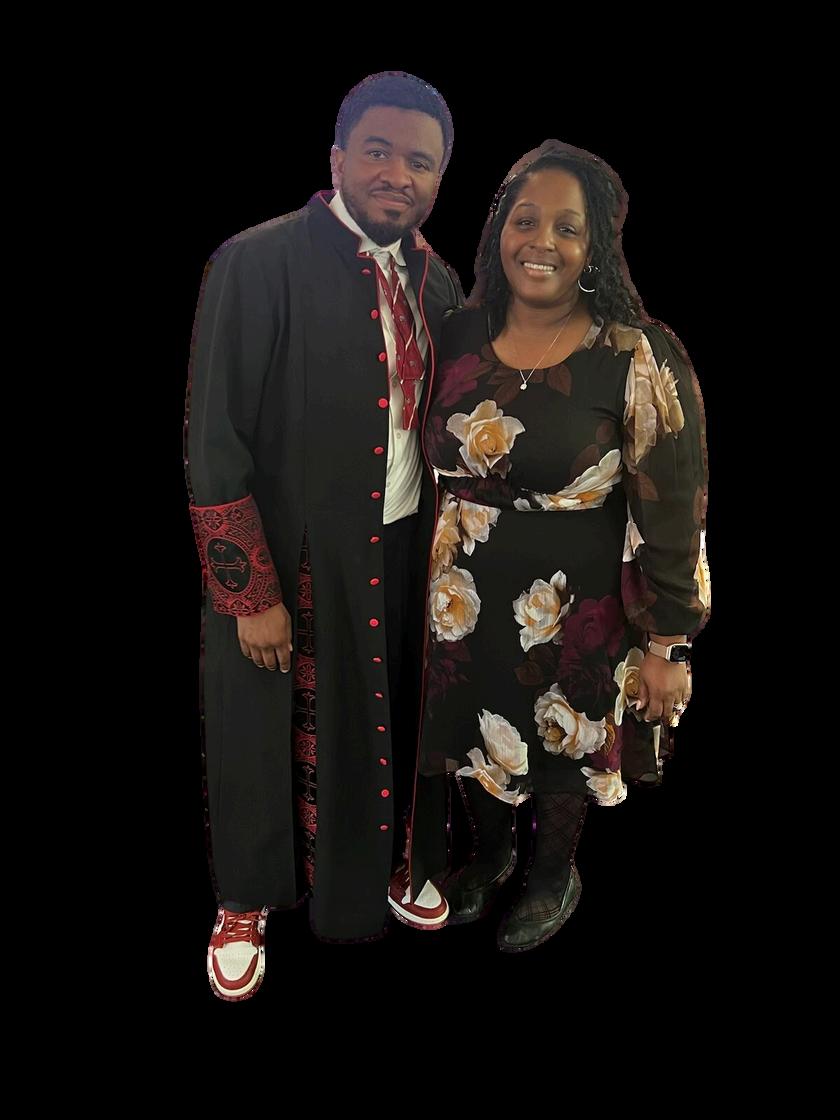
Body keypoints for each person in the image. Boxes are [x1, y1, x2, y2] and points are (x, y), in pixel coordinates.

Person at [184, 71, 463, 1000]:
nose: (397, 175)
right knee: (259, 723)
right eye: (378, 151)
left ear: (438, 180)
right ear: (338, 157)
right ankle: (245, 900)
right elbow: (214, 441)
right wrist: (248, 592)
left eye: (420, 162)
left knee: (384, 712)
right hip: (287, 553)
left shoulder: (439, 280)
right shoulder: (255, 262)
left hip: (400, 544)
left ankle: (383, 866)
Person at [418, 139, 710, 953]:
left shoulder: (633, 353)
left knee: (562, 740)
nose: (541, 241)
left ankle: (552, 874)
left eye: (567, 228)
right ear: (498, 231)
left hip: (578, 603)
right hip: (459, 593)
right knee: (474, 731)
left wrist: (668, 643)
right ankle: (491, 856)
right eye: (525, 220)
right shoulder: (458, 331)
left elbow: (675, 508)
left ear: (595, 247)